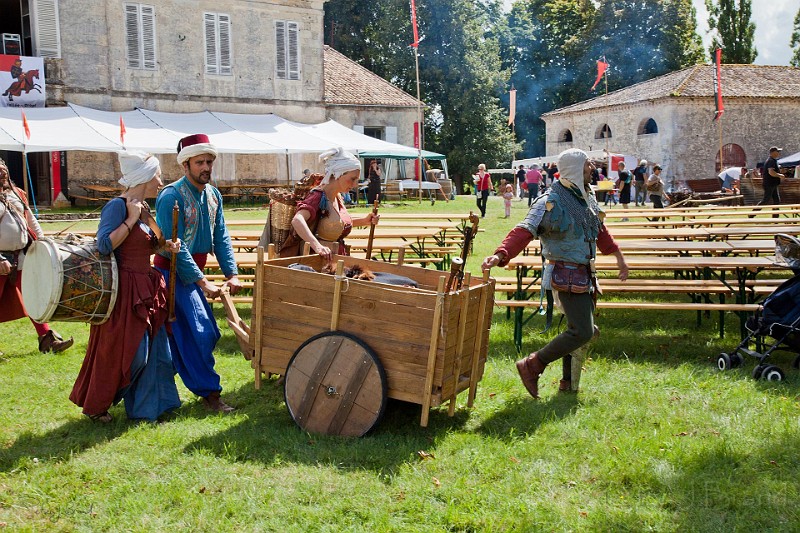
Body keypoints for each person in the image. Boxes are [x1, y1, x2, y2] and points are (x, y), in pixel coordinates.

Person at [482, 148, 629, 397]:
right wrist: (501, 254)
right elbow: (525, 230)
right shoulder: (551, 200)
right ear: (574, 168)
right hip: (564, 273)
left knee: (580, 329)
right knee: (582, 331)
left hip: (585, 273)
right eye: (587, 166)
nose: (591, 170)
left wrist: (618, 256)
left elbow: (599, 231)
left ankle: (568, 384)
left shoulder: (586, 196)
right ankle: (533, 364)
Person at [70, 151, 182, 423]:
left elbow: (146, 244)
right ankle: (98, 404)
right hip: (123, 292)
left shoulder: (143, 208)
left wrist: (165, 245)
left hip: (146, 284)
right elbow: (105, 244)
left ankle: (147, 410)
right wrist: (131, 219)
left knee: (154, 350)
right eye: (157, 174)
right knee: (130, 354)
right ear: (145, 177)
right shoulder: (118, 207)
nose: (160, 180)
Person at [154, 134, 243, 414]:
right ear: (185, 165)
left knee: (197, 334)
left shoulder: (213, 195)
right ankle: (210, 394)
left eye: (209, 162)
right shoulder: (171, 196)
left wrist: (232, 273)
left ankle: (195, 386)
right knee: (200, 332)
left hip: (192, 274)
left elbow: (222, 237)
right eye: (200, 162)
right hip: (169, 275)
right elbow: (173, 248)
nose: (206, 167)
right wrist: (203, 283)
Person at [0, 157, 73, 354]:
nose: (2, 174)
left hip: (21, 257)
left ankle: (47, 339)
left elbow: (31, 221)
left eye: (4, 170)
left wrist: (43, 243)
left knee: (33, 297)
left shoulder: (17, 194)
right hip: (0, 259)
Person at [291, 147, 380, 263]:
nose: (354, 185)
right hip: (320, 264)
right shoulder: (318, 196)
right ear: (338, 174)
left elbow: (334, 223)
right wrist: (317, 246)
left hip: (338, 260)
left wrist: (364, 221)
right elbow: (297, 220)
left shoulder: (337, 196)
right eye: (352, 179)